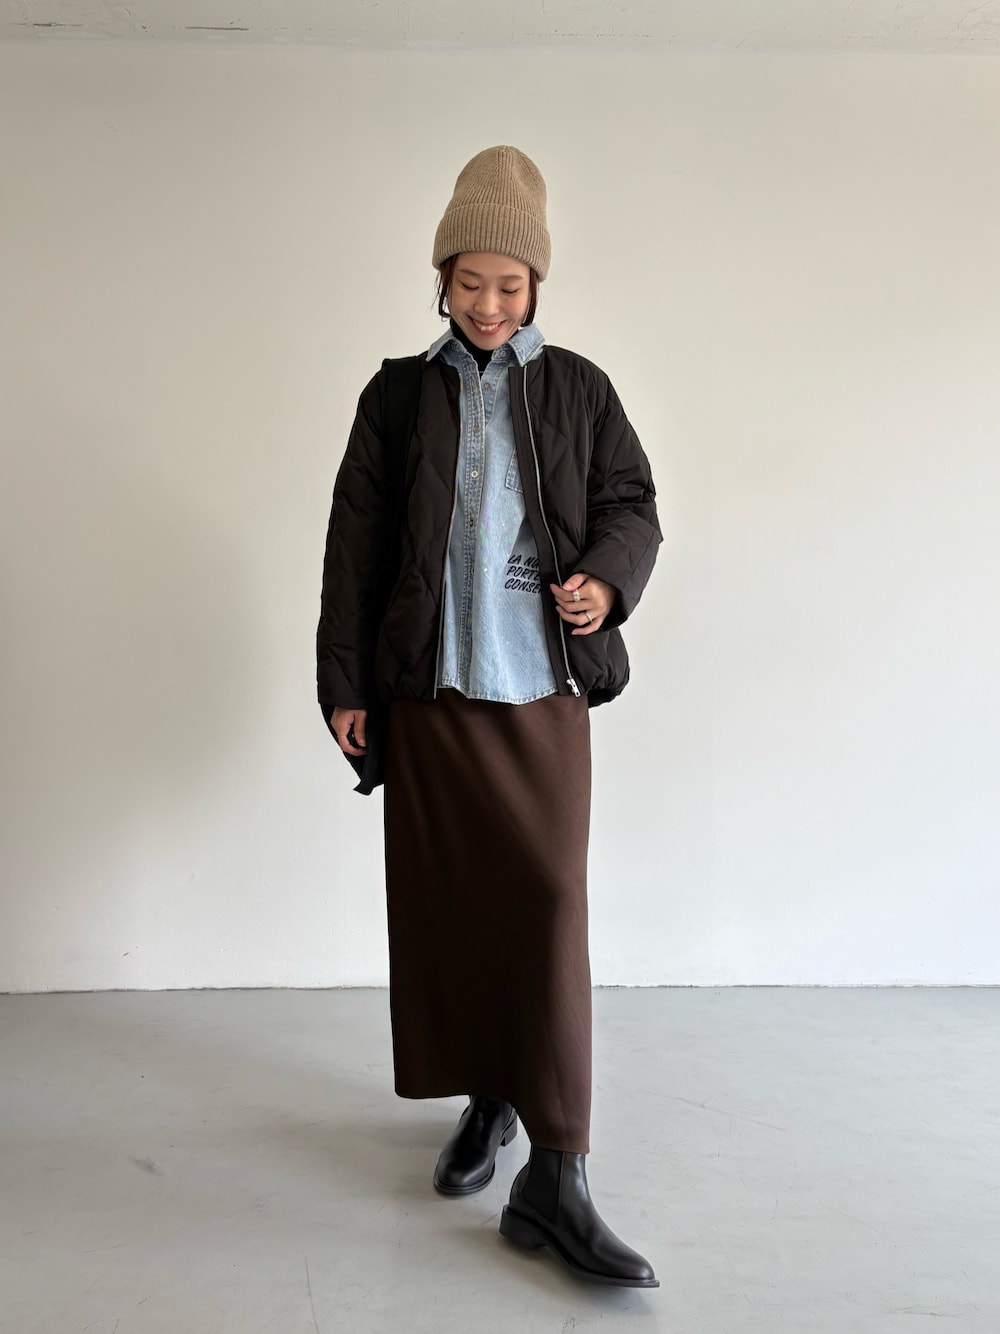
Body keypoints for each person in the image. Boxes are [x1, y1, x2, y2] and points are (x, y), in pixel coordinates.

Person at [317, 146, 662, 1288]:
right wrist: (346, 684)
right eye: (470, 281)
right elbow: (354, 546)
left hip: (539, 689)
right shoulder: (395, 396)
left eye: (510, 284)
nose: (488, 303)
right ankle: (489, 1101)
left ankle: (558, 1174)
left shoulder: (579, 388)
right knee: (456, 912)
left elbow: (631, 503)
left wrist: (604, 581)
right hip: (429, 694)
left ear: (536, 285)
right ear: (442, 279)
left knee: (549, 901)